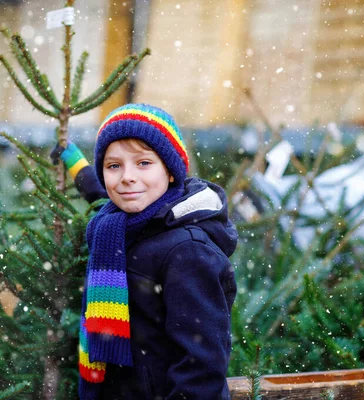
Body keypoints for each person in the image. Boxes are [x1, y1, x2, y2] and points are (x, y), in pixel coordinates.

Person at [54, 104, 238, 400]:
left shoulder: (188, 252)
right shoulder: (119, 224)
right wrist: (78, 167)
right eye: (113, 166)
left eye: (143, 163)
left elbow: (201, 369)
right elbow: (103, 197)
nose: (127, 177)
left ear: (171, 170)